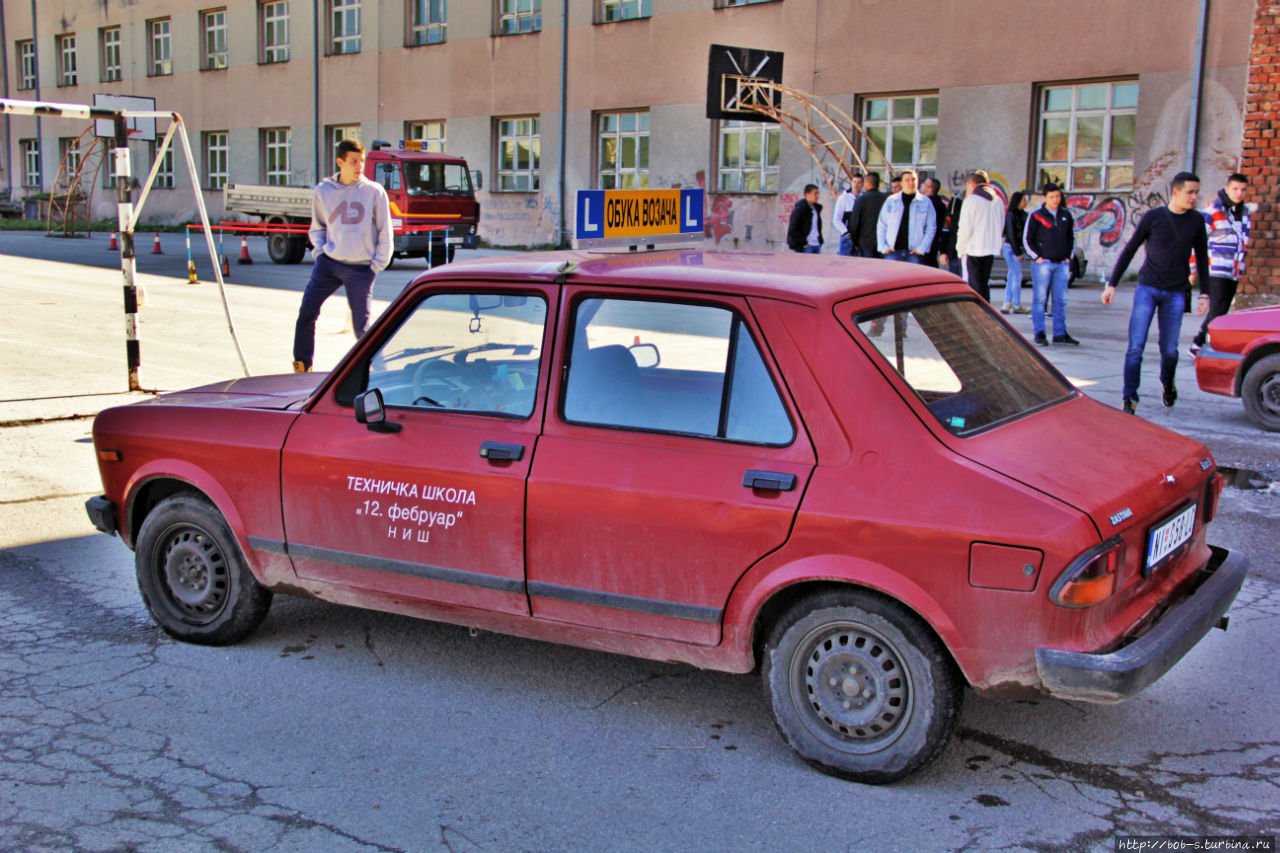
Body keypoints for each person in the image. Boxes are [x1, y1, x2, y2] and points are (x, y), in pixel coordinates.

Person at [1102, 171, 1210, 414]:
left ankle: (1167, 382)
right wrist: (1112, 283)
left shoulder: (1196, 221)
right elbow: (1129, 250)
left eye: (1196, 192)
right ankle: (1129, 397)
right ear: (1176, 191)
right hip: (1147, 289)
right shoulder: (1153, 217)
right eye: (1190, 192)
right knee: (1135, 347)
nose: (1194, 197)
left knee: (1170, 350)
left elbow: (1202, 258)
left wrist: (1205, 293)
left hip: (1175, 293)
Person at [292, 139, 393, 373]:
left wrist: (376, 265)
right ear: (340, 162)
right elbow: (317, 227)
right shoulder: (323, 191)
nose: (360, 167)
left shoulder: (374, 192)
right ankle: (302, 365)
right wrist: (319, 252)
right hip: (329, 265)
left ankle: (379, 373)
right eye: (354, 162)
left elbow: (385, 232)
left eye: (362, 161)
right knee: (307, 312)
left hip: (360, 269)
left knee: (362, 328)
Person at [1190, 172, 1250, 355]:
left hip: (1233, 271)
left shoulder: (1244, 212)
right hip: (1214, 270)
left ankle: (1206, 343)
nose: (1239, 193)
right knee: (1217, 310)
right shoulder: (1213, 211)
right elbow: (1196, 240)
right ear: (1226, 189)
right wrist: (1192, 270)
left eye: (1243, 190)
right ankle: (1198, 345)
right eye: (1235, 189)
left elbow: (1242, 241)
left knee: (1221, 310)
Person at [1023, 183, 1077, 345]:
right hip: (1043, 264)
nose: (1055, 200)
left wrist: (1069, 257)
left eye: (1058, 196)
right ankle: (1040, 333)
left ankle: (1060, 333)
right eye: (1052, 197)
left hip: (1062, 264)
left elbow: (1071, 238)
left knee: (1060, 300)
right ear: (1045, 198)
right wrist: (1036, 257)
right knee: (1040, 300)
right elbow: (1027, 239)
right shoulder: (1036, 215)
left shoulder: (1066, 215)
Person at [955, 170, 1004, 301]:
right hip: (990, 249)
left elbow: (965, 228)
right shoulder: (998, 200)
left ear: (971, 184)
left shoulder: (971, 200)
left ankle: (977, 316)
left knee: (973, 287)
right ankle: (986, 314)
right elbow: (1001, 224)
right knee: (984, 285)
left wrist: (960, 249)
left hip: (973, 249)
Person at [875, 169, 936, 264]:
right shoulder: (891, 201)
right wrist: (883, 246)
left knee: (914, 279)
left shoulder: (926, 202)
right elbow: (882, 225)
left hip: (915, 253)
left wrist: (922, 248)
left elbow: (931, 228)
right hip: (892, 251)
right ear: (901, 183)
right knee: (892, 278)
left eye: (913, 179)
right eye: (907, 180)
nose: (911, 183)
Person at [1000, 191, 1030, 314]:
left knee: (1012, 275)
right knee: (1017, 276)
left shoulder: (1024, 215)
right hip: (1012, 249)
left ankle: (1007, 303)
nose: (1026, 202)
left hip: (1017, 249)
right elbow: (1011, 234)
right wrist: (1018, 252)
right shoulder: (1011, 215)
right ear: (1018, 201)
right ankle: (1017, 304)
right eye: (1024, 199)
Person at [846, 171, 887, 258]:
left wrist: (855, 242)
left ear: (868, 183)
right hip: (882, 242)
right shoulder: (886, 199)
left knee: (867, 268)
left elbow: (854, 223)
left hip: (865, 242)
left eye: (864, 182)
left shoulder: (861, 199)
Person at [832, 173, 863, 256]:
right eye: (854, 182)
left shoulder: (863, 197)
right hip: (847, 238)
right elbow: (836, 219)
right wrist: (846, 233)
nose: (856, 184)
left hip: (860, 238)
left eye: (859, 182)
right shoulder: (843, 198)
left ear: (862, 184)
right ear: (851, 183)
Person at [786, 184, 823, 253]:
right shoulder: (800, 209)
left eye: (818, 193)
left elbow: (817, 227)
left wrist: (820, 241)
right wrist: (804, 243)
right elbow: (793, 229)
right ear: (807, 194)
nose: (817, 196)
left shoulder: (816, 209)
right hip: (806, 246)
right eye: (815, 193)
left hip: (816, 244)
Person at [920, 177, 948, 268]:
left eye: (924, 184)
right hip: (933, 242)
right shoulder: (940, 204)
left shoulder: (928, 204)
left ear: (930, 189)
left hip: (926, 241)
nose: (921, 185)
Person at [937, 188, 964, 277]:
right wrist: (943, 251)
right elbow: (946, 227)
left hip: (960, 249)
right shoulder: (955, 204)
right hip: (954, 249)